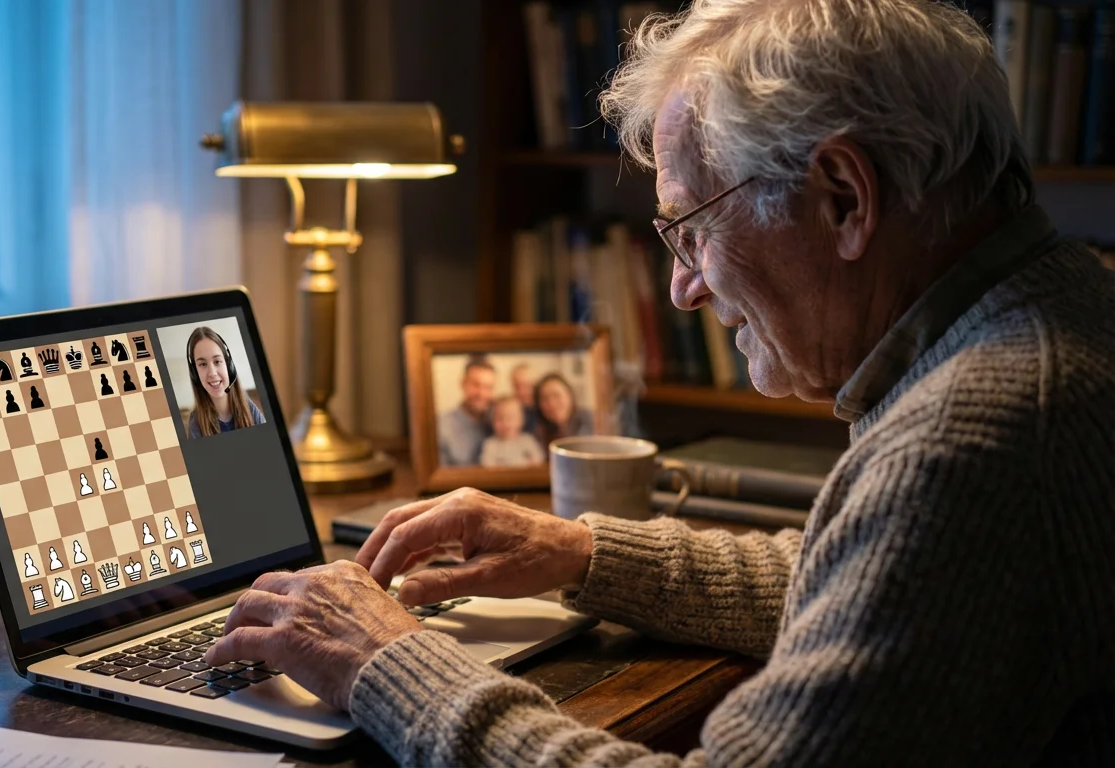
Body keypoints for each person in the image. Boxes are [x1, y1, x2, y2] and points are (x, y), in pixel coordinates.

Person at [204, 1, 1115, 764]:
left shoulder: (971, 439)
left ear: (844, 196)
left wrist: (388, 660)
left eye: (693, 227)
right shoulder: (1062, 309)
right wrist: (584, 555)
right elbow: (873, 579)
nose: (682, 286)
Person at [184, 326, 265, 439]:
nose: (212, 373)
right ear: (195, 374)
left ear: (229, 366)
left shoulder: (249, 408)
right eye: (202, 364)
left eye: (217, 361)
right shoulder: (195, 425)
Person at [436, 356, 496, 466]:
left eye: (488, 387)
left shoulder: (498, 421)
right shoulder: (441, 426)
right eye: (476, 385)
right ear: (463, 384)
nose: (481, 394)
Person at [479, 396, 545, 468]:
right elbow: (487, 466)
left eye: (510, 418)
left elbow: (539, 461)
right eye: (500, 418)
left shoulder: (528, 440)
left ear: (521, 420)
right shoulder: (491, 444)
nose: (505, 423)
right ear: (492, 421)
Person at [532, 373, 595, 447]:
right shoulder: (540, 432)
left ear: (569, 396)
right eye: (544, 399)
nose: (551, 404)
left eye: (556, 395)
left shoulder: (588, 419)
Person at [509, 363, 540, 434]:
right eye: (517, 386)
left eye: (526, 386)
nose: (521, 392)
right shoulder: (511, 410)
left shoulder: (545, 410)